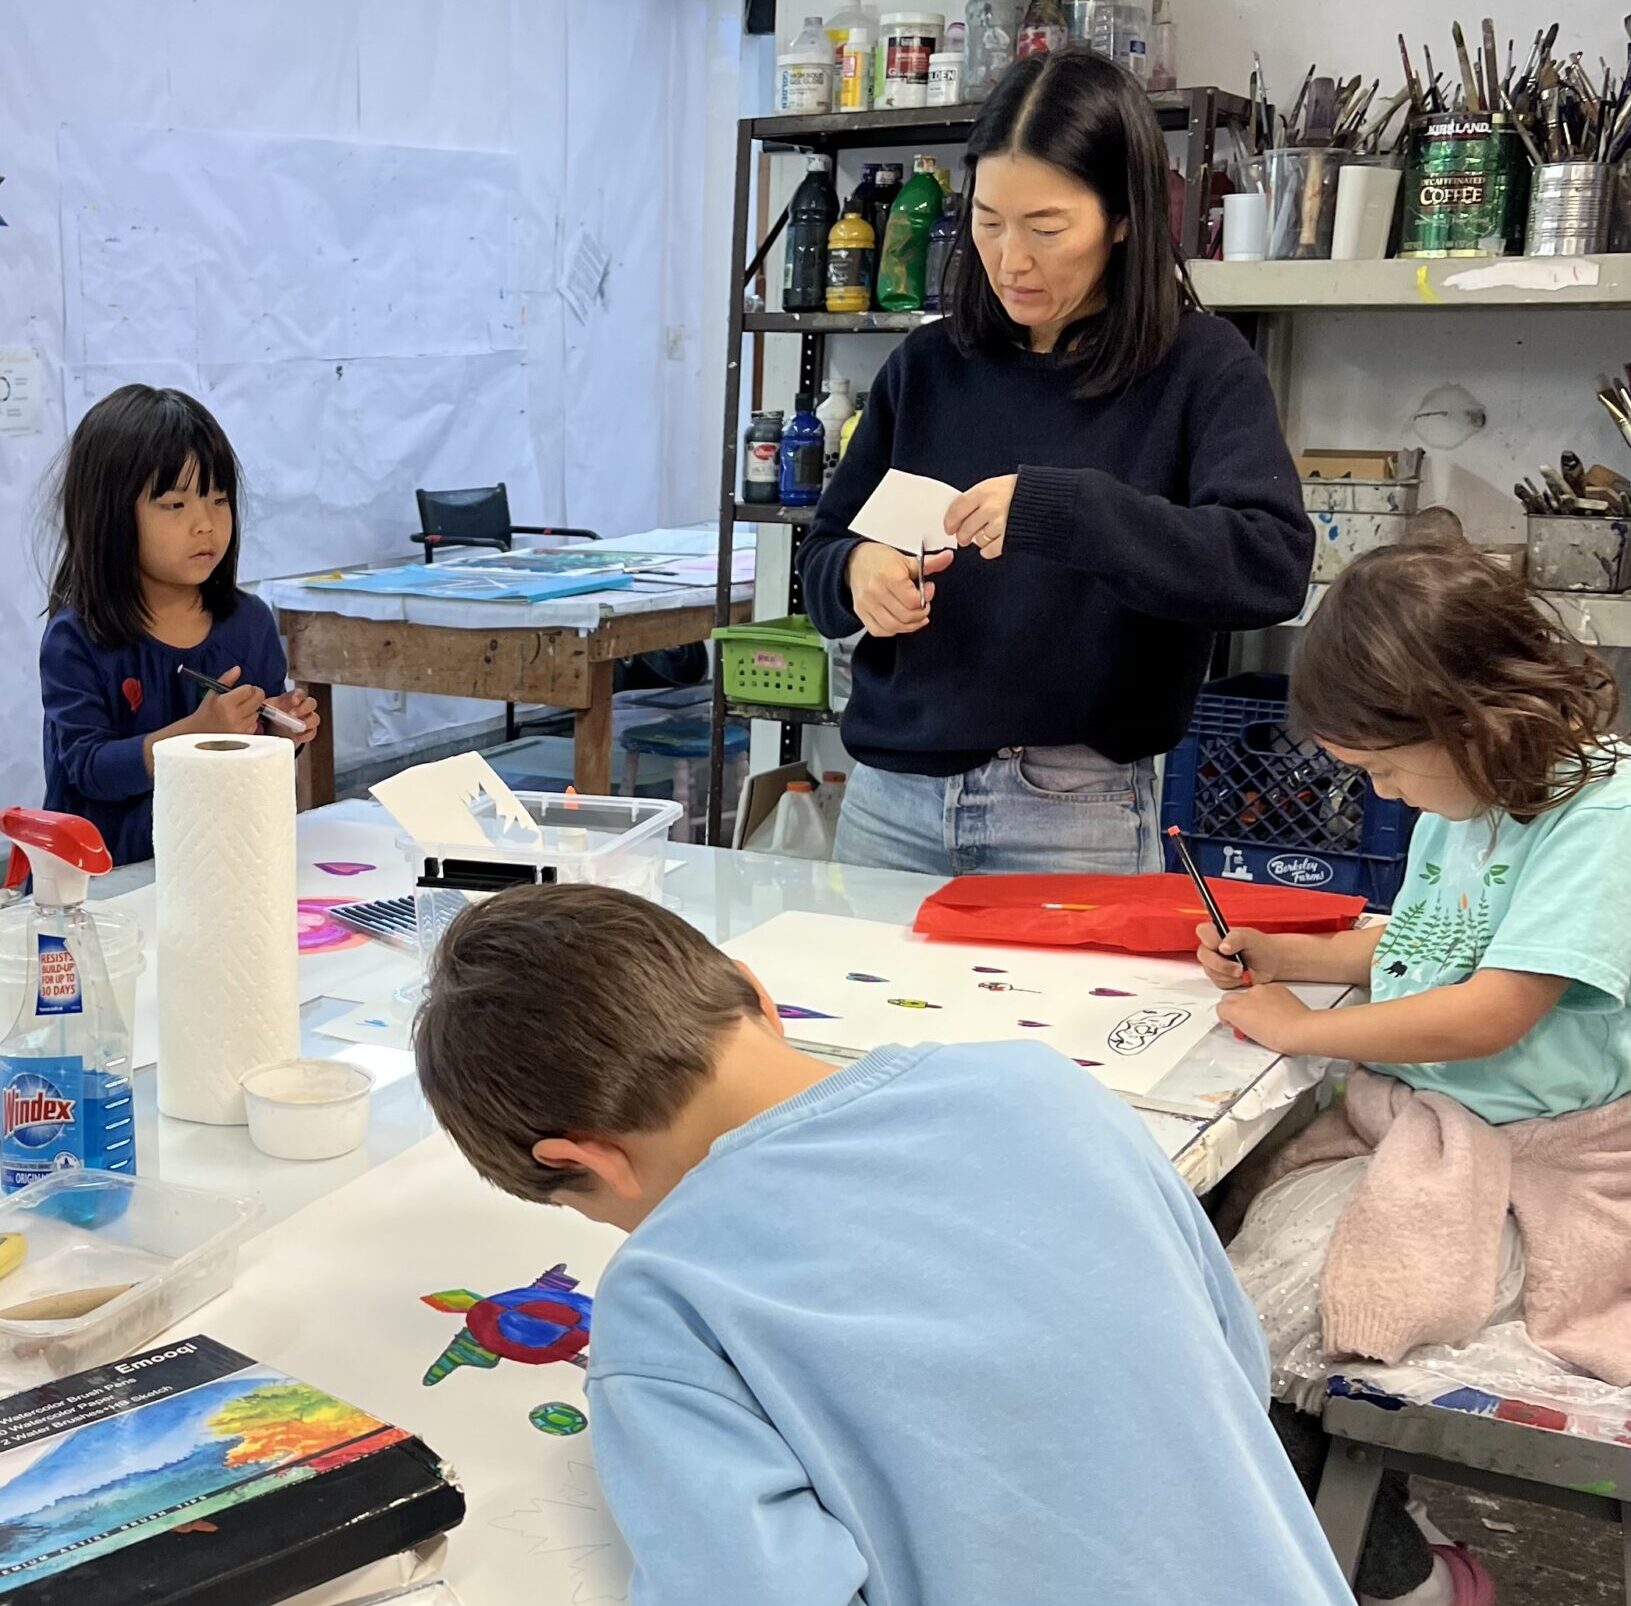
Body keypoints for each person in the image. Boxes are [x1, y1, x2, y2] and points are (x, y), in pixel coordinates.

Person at [415, 882, 1353, 1606]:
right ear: (756, 995)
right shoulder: (1039, 1086)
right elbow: (1227, 1363)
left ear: (584, 1162)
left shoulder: (669, 1297)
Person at [1197, 538, 1631, 1606]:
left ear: (1467, 719)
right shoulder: (1471, 794)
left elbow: (1492, 1007)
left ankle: (1408, 1583)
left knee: (1236, 1337)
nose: (1382, 790)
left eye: (1385, 768)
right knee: (1193, 1245)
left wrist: (1304, 1033)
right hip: (1419, 1124)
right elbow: (1426, 946)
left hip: (1537, 1166)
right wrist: (1292, 953)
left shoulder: (1600, 818)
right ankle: (1371, 1521)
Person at [797, 50, 1311, 878]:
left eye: (1045, 229)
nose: (1011, 261)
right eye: (989, 222)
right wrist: (857, 572)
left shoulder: (1200, 367)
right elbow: (822, 551)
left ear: (1121, 217)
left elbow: (1268, 566)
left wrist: (1064, 513)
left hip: (1075, 813)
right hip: (891, 800)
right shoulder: (927, 365)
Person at [39, 385, 318, 864]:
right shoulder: (78, 638)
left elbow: (255, 765)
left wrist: (278, 735)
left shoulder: (247, 623)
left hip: (222, 861)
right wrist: (196, 737)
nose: (205, 524)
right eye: (176, 505)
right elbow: (88, 769)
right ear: (110, 514)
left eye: (218, 500)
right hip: (104, 883)